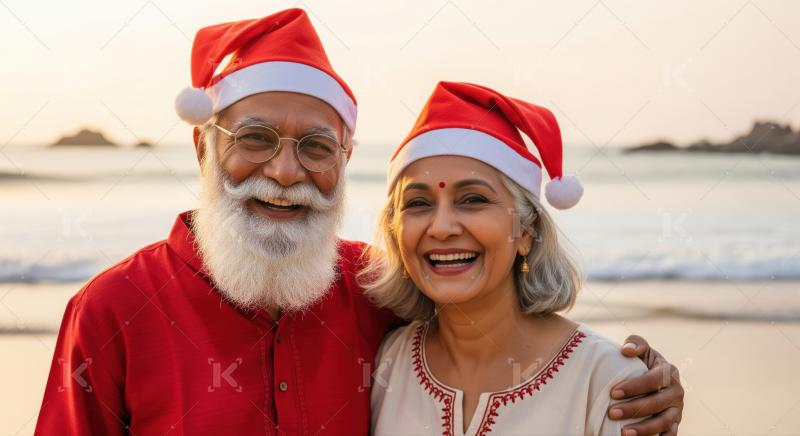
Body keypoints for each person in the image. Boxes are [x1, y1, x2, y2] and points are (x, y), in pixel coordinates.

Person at [35, 8, 683, 436]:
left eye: (316, 147)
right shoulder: (112, 309)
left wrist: (653, 387)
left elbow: (492, 325)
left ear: (344, 161)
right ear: (204, 148)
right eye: (255, 138)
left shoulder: (377, 290)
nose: (286, 171)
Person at [365, 81, 679, 435]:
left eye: (473, 200)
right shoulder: (385, 364)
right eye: (417, 204)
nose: (441, 228)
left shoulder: (609, 381)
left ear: (526, 232)